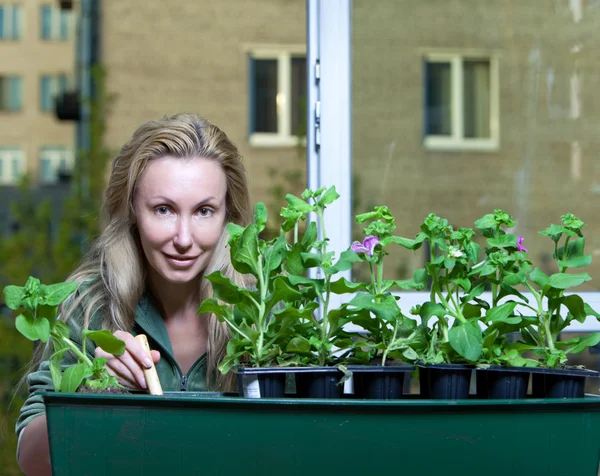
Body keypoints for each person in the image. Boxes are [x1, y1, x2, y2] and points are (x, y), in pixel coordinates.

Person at [16, 113, 252, 475]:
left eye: (204, 211)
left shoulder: (263, 311)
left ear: (228, 216)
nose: (184, 239)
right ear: (131, 213)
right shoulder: (87, 304)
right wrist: (89, 397)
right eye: (163, 209)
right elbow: (33, 462)